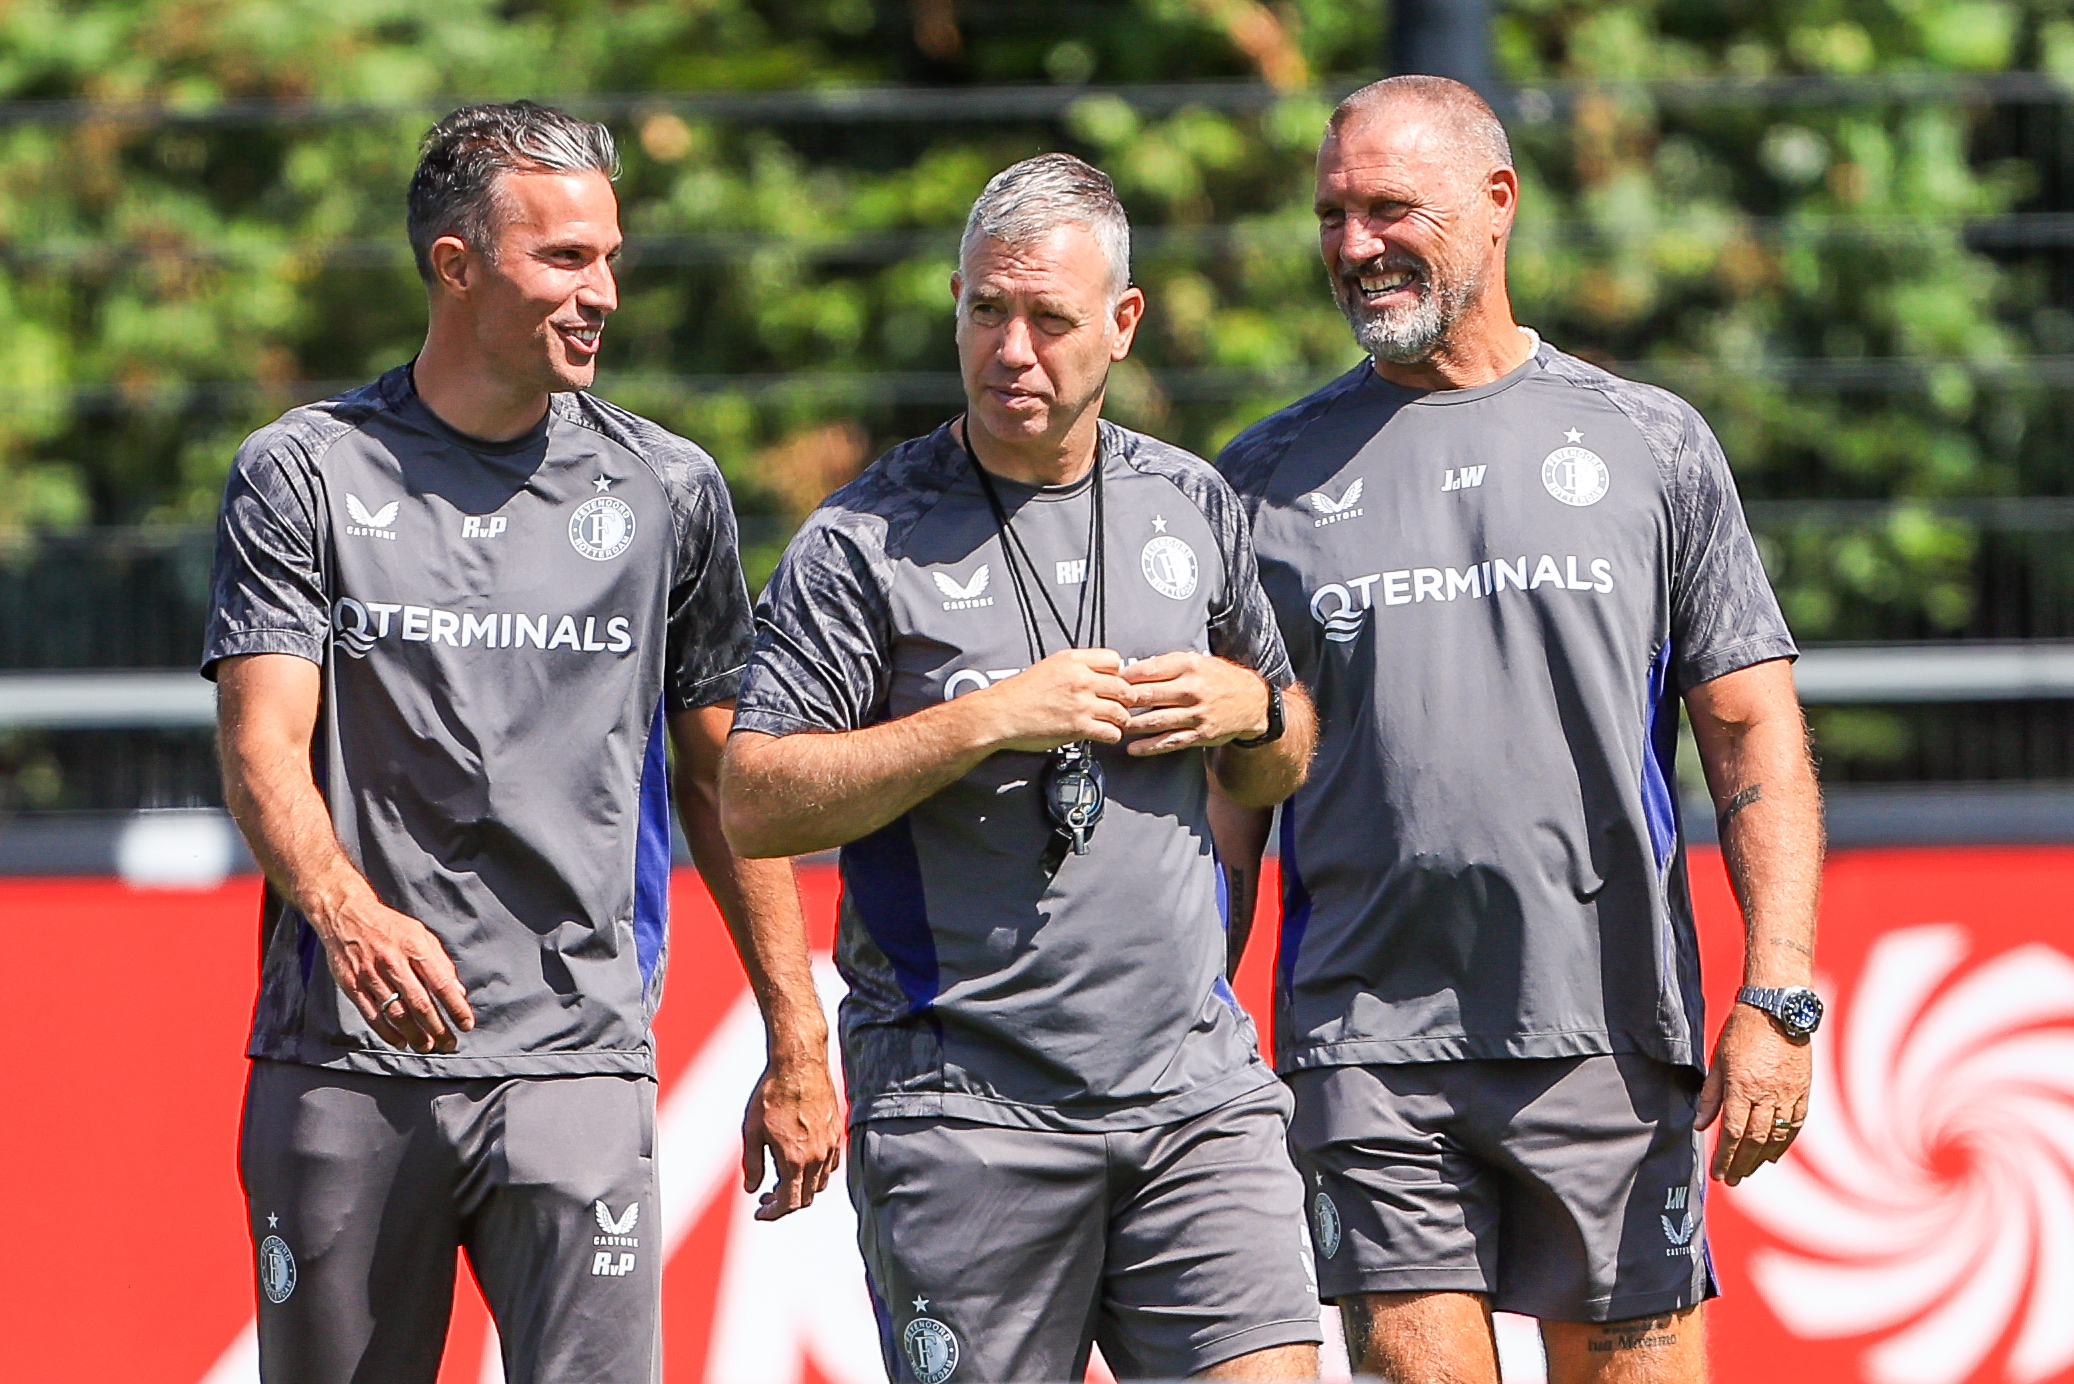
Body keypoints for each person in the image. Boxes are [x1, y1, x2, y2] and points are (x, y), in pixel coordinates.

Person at [204, 101, 842, 1384]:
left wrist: (796, 1034)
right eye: (564, 258)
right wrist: (345, 910)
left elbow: (731, 785)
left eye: (609, 257)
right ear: (455, 267)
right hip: (348, 1063)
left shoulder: (669, 489)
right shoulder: (304, 472)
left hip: (579, 1067)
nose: (602, 290)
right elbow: (261, 745)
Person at [1213, 77, 1824, 1384]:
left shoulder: (1648, 443)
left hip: (1604, 1041)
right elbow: (1224, 808)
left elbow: (1749, 729)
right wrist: (1183, 1026)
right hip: (1366, 1050)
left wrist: (1775, 995)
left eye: (1388, 207)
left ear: (1496, 204)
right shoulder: (1258, 484)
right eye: (1329, 214)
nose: (1353, 243)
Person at [719, 153, 1324, 1383]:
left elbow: (1282, 762)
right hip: (961, 1114)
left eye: (1049, 319)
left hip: (1191, 1094)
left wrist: (1251, 709)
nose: (1013, 348)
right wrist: (981, 721)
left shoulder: (1191, 502)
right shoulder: (862, 540)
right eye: (986, 310)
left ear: (1121, 322)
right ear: (954, 303)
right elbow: (753, 796)